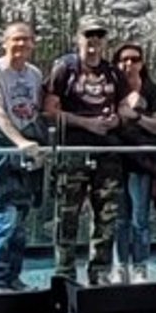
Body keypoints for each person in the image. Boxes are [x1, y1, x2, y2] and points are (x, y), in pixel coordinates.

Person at [46, 17, 124, 286]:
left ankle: (99, 270)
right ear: (78, 38)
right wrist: (85, 122)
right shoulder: (64, 68)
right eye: (89, 35)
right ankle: (64, 272)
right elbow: (50, 109)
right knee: (67, 213)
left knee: (107, 214)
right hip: (73, 150)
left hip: (107, 152)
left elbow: (123, 105)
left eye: (99, 35)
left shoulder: (113, 73)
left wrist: (117, 119)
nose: (94, 41)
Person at [0, 19, 47, 290]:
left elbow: (34, 109)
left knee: (22, 213)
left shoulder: (34, 74)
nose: (21, 44)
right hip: (1, 145)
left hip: (28, 142)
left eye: (26, 39)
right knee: (5, 212)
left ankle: (13, 275)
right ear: (5, 42)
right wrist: (19, 142)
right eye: (16, 39)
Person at [110, 40, 156, 282]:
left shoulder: (151, 90)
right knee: (119, 218)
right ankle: (119, 265)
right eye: (124, 59)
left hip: (143, 162)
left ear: (142, 63)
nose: (129, 64)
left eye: (135, 59)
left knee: (140, 218)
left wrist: (134, 116)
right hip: (115, 160)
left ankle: (140, 266)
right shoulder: (110, 89)